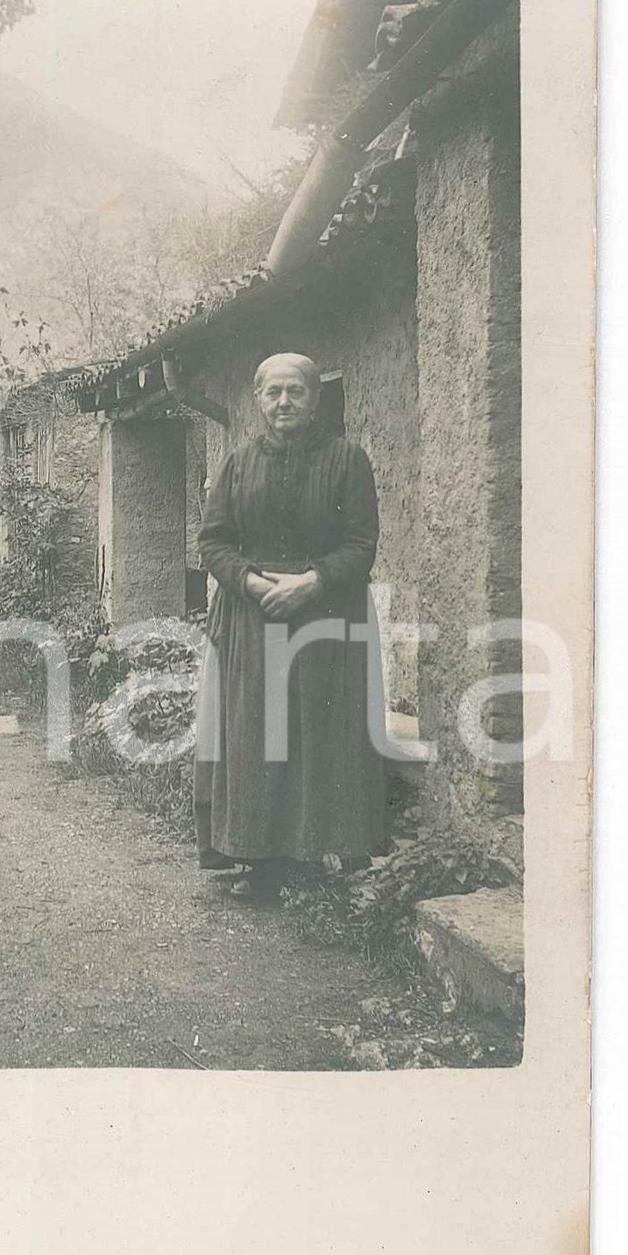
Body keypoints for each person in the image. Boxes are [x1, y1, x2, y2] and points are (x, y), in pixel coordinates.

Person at [193, 353, 387, 898]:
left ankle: (329, 856)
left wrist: (312, 580)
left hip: (327, 613)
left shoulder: (348, 461)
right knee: (256, 732)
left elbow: (362, 544)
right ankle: (261, 863)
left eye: (295, 392)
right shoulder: (236, 463)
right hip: (249, 617)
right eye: (273, 392)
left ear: (314, 399)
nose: (284, 403)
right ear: (258, 399)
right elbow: (213, 542)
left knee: (323, 731)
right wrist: (254, 583)